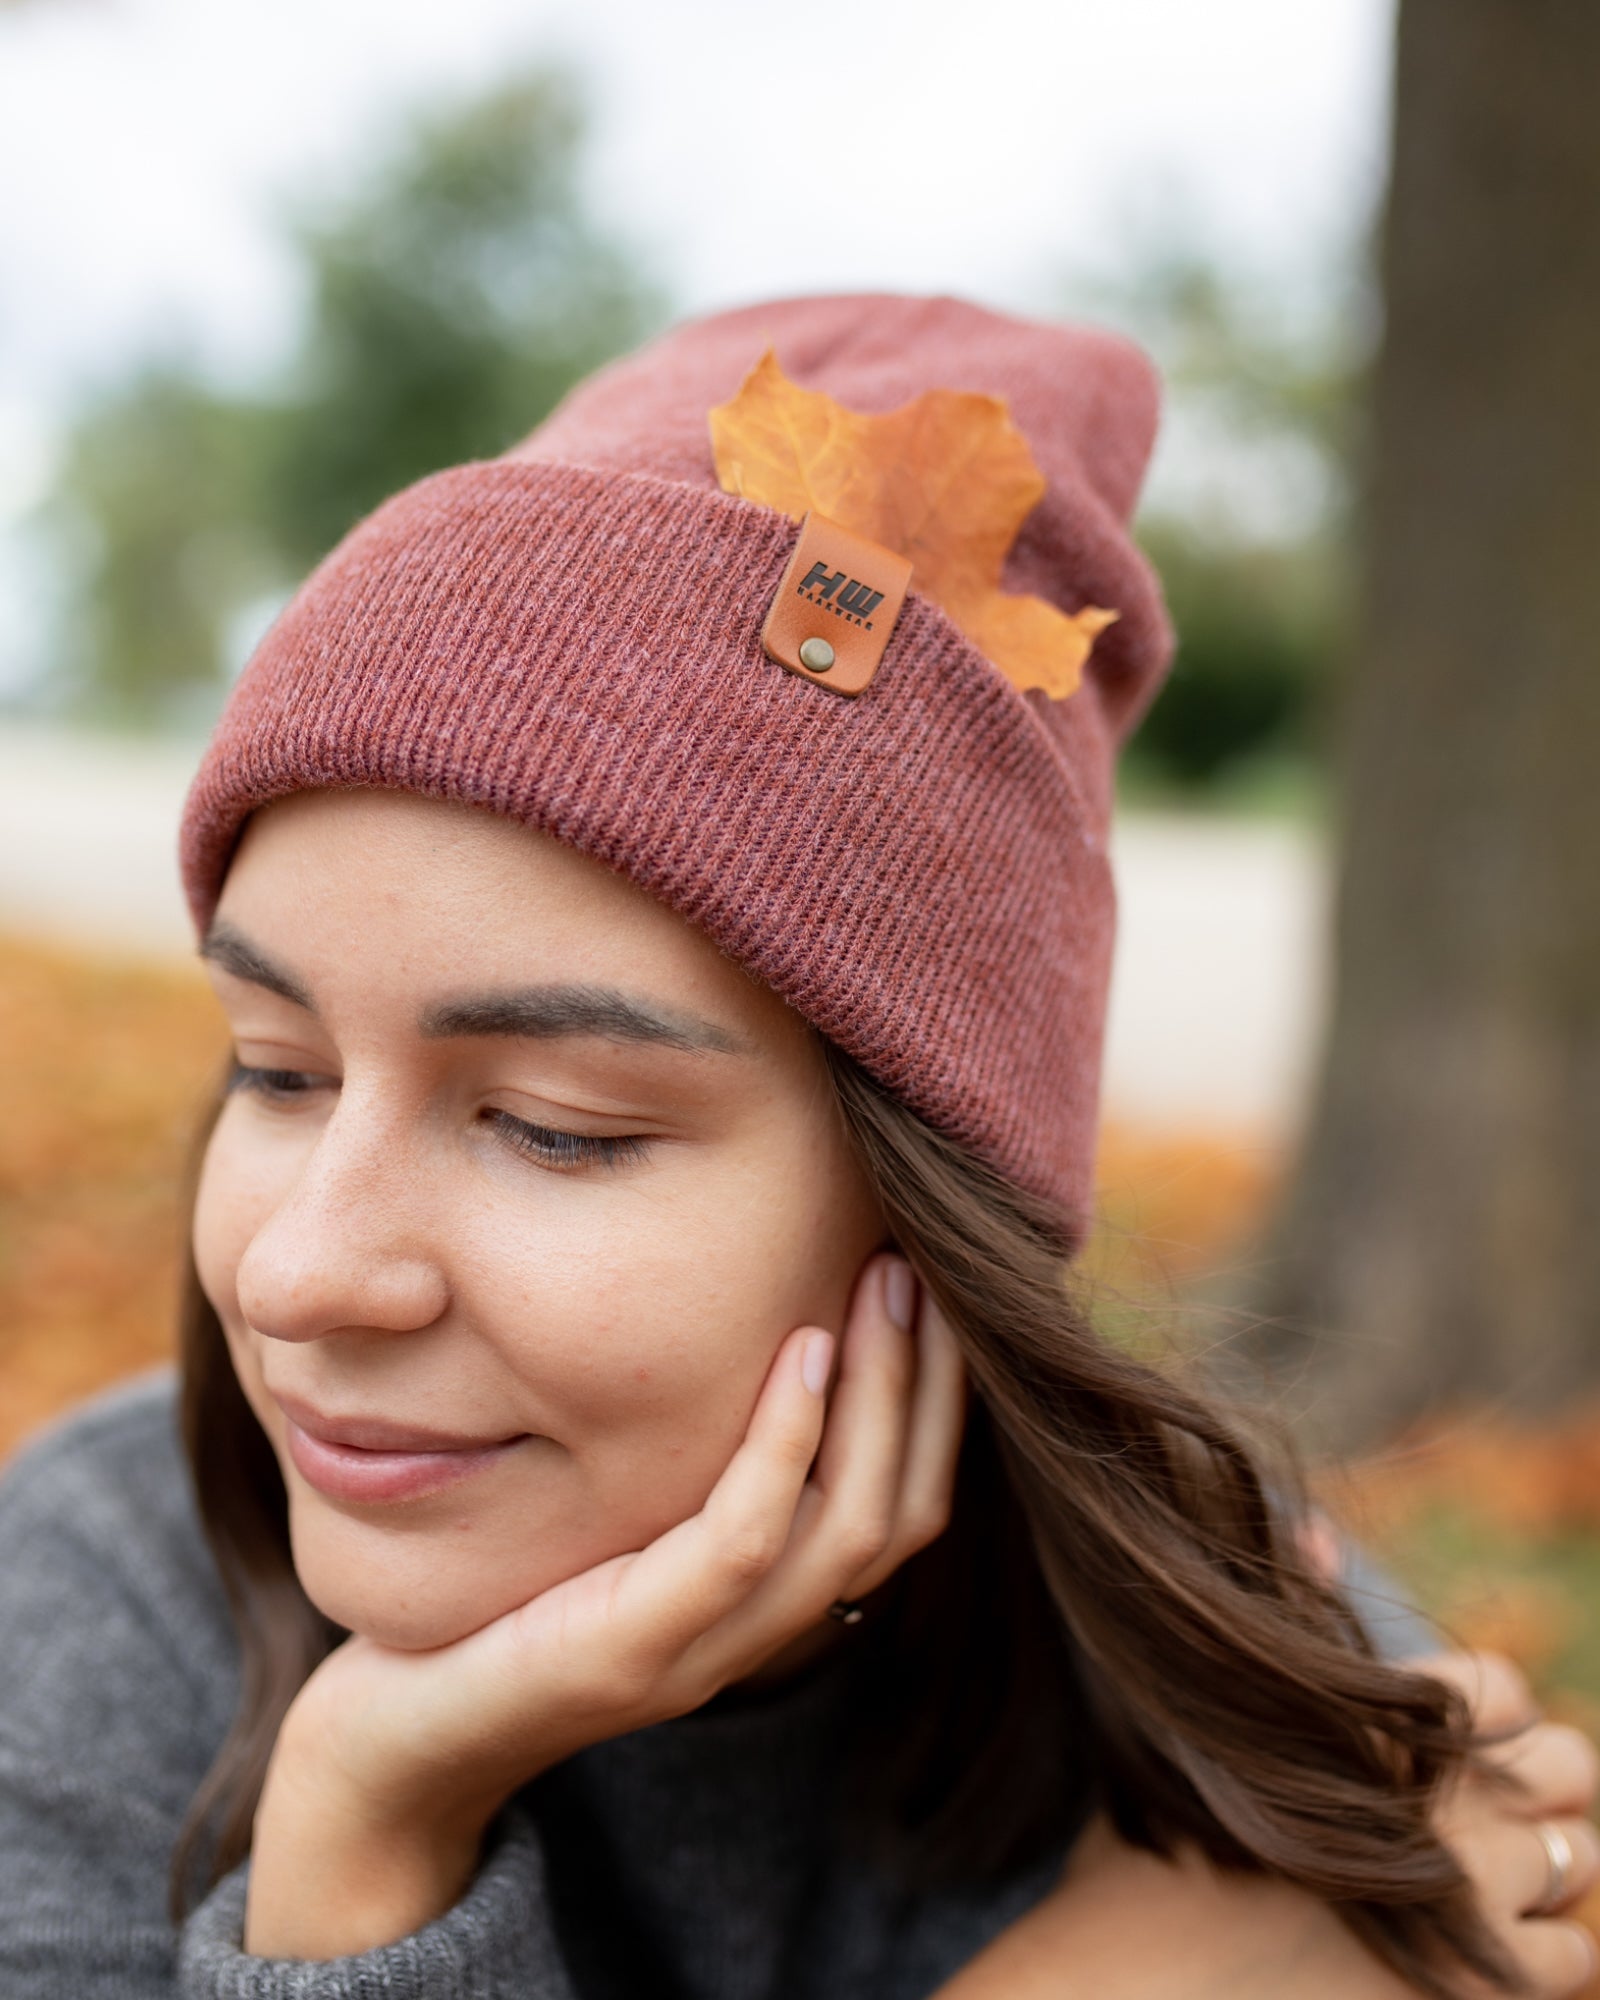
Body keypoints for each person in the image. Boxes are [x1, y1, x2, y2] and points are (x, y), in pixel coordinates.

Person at [1, 292, 1596, 2000]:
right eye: (277, 1071)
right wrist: (361, 1818)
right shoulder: (99, 1590)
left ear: (931, 1208)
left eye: (557, 1128)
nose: (297, 1267)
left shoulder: (1220, 1649)